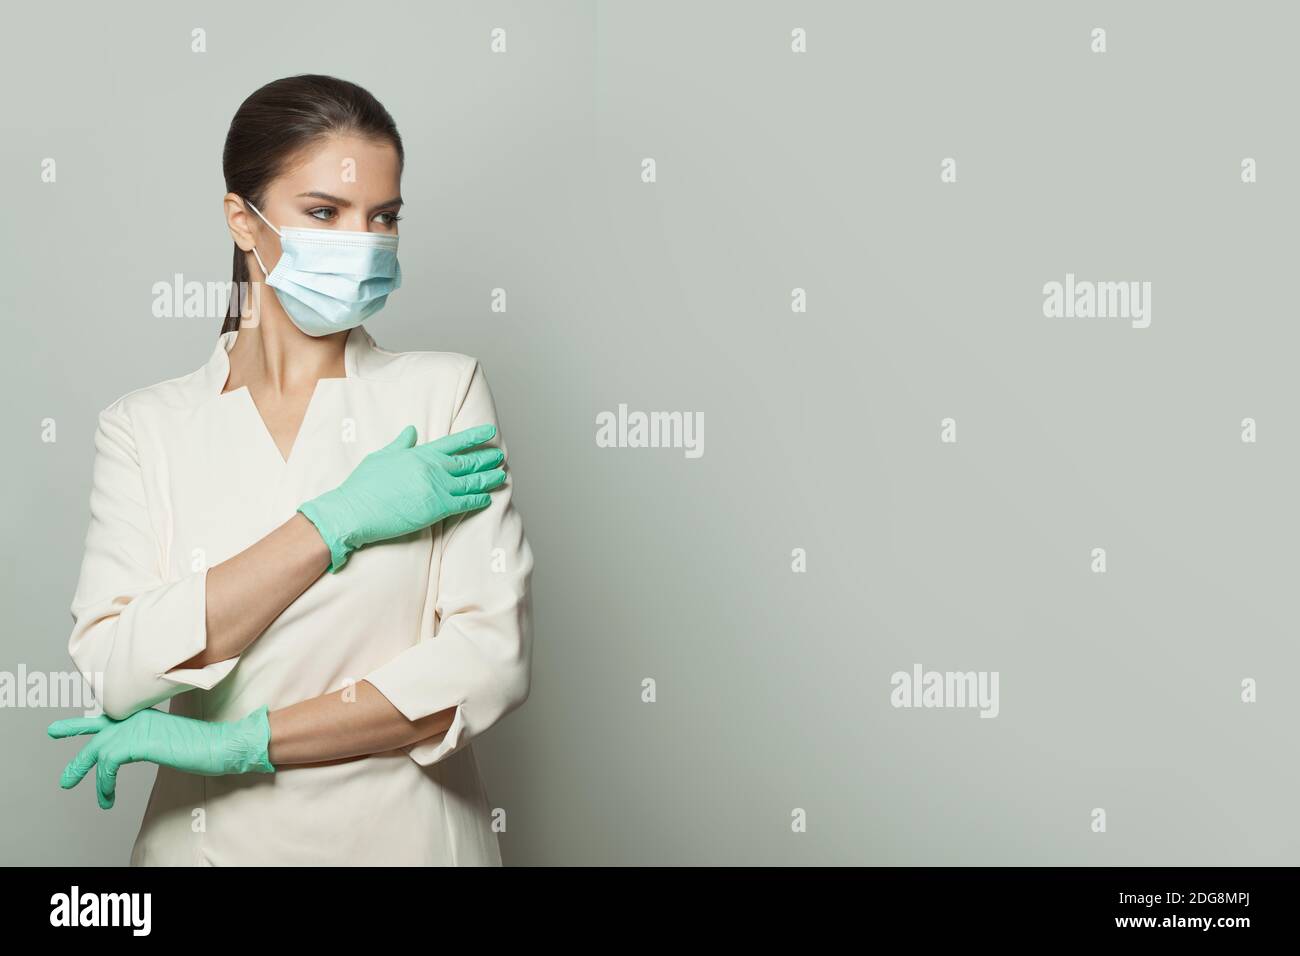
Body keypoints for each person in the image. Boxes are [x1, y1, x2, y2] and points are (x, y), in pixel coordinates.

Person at [45, 74, 534, 866]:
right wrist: (329, 525)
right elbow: (116, 670)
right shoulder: (146, 429)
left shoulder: (443, 394)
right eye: (323, 212)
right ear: (244, 220)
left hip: (406, 842)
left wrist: (246, 743)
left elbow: (488, 664)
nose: (365, 240)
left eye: (384, 216)